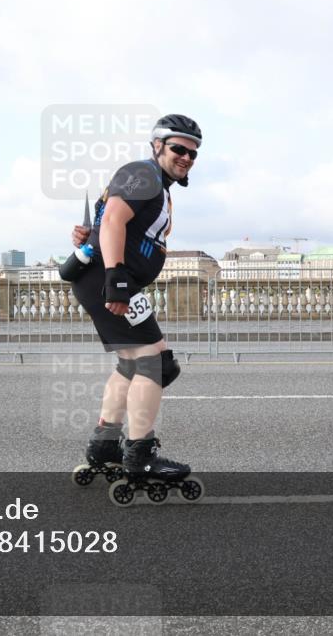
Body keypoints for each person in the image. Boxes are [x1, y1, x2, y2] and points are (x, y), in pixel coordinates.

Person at [69, 114, 202, 490]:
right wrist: (116, 279)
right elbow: (112, 220)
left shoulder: (153, 182)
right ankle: (139, 456)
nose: (187, 158)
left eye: (193, 153)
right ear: (157, 145)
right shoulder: (143, 174)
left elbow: (103, 223)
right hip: (109, 279)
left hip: (105, 276)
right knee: (156, 363)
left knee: (133, 363)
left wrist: (97, 252)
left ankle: (105, 444)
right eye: (179, 149)